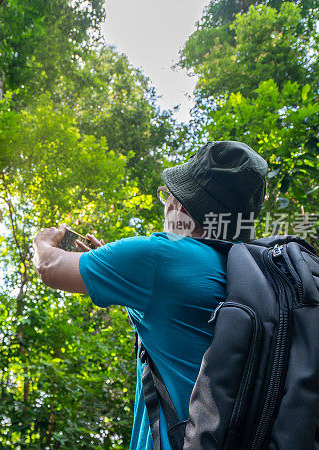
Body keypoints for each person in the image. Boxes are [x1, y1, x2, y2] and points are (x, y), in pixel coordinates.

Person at [32, 141, 268, 450]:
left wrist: (41, 242)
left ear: (180, 206)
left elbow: (50, 267)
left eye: (167, 194)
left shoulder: (160, 255)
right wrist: (116, 272)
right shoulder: (249, 273)